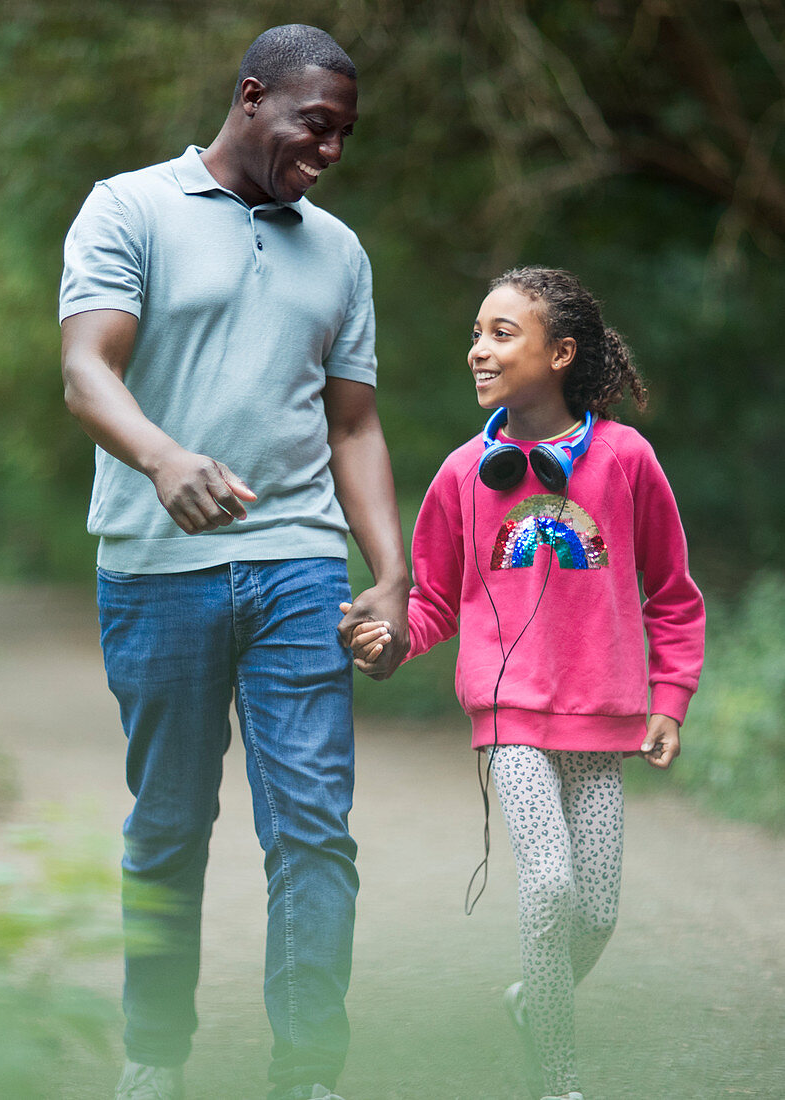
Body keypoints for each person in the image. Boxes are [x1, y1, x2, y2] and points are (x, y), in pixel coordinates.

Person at [59, 24, 409, 1100]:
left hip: (299, 560)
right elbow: (86, 367)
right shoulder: (129, 208)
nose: (331, 150)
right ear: (252, 96)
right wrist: (163, 458)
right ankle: (154, 1056)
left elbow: (353, 425)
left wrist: (388, 573)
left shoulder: (337, 251)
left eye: (345, 132)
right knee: (168, 822)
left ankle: (308, 1072)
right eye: (316, 123)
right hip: (157, 563)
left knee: (310, 821)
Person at [345, 267, 705, 1100]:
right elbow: (431, 599)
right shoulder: (463, 474)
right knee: (548, 884)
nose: (477, 349)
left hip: (605, 720)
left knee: (597, 914)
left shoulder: (625, 460)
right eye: (476, 332)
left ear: (561, 353)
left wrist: (670, 700)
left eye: (502, 333)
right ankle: (558, 1079)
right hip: (509, 721)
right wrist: (391, 642)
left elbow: (673, 597)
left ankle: (528, 1002)